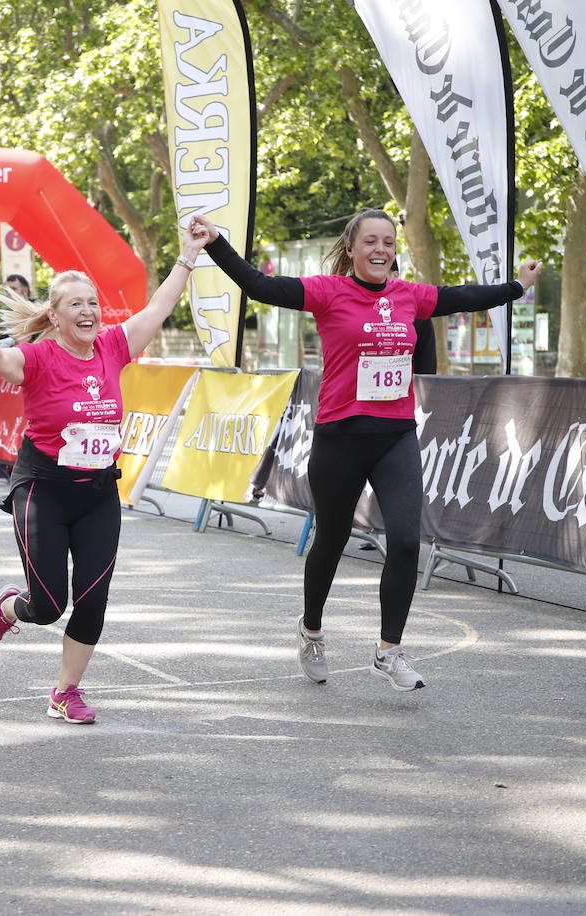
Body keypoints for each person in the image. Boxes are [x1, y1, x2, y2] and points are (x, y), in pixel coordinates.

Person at [191, 210, 539, 691]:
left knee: (406, 539)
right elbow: (259, 286)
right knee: (330, 541)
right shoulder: (328, 293)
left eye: (388, 243)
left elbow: (460, 297)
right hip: (340, 437)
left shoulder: (409, 296)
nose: (381, 250)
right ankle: (311, 628)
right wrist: (215, 243)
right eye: (371, 242)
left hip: (394, 436)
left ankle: (389, 651)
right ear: (352, 248)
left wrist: (515, 289)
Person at [0, 222, 209, 724]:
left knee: (93, 599)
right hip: (42, 492)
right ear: (54, 314)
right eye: (76, 304)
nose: (88, 311)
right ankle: (8, 610)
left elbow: (158, 310)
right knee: (49, 604)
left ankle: (65, 692)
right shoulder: (39, 356)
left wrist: (187, 256)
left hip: (97, 493)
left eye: (92, 302)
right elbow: (4, 364)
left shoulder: (113, 347)